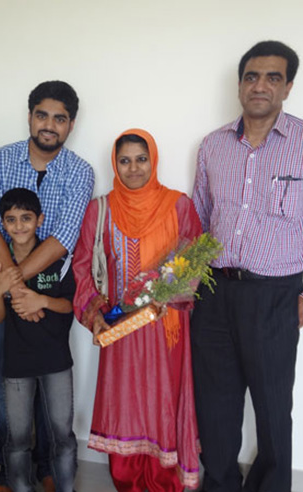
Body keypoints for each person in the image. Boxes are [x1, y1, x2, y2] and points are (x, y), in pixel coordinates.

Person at [190, 40, 303, 492]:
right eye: (251, 77)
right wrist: (184, 287)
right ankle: (220, 484)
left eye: (273, 77)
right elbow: (199, 225)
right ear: (240, 85)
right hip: (214, 295)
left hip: (275, 298)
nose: (260, 86)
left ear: (288, 87)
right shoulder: (213, 146)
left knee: (270, 408)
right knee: (215, 406)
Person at [0, 80, 94, 492]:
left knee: (50, 390)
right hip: (4, 297)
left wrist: (17, 287)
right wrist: (7, 290)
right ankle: (9, 473)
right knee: (4, 391)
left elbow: (62, 237)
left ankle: (47, 469)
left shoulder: (80, 171)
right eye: (42, 115)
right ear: (30, 116)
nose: (49, 125)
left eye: (59, 119)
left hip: (48, 293)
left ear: (71, 125)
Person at [72, 129, 202, 492]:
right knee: (124, 401)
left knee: (164, 399)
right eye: (124, 161)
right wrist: (96, 313)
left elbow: (193, 260)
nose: (133, 169)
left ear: (153, 161)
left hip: (167, 327)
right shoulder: (100, 209)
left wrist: (166, 294)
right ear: (115, 164)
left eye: (141, 159)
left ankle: (164, 481)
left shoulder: (179, 205)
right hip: (120, 328)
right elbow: (82, 266)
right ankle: (127, 480)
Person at [0, 187, 77, 492]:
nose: (19, 226)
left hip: (56, 361)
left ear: (40, 220)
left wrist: (41, 300)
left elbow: (69, 305)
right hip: (16, 365)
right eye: (11, 220)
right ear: (3, 224)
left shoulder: (58, 260)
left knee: (62, 434)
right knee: (18, 438)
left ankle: (66, 486)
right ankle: (20, 486)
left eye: (26, 218)